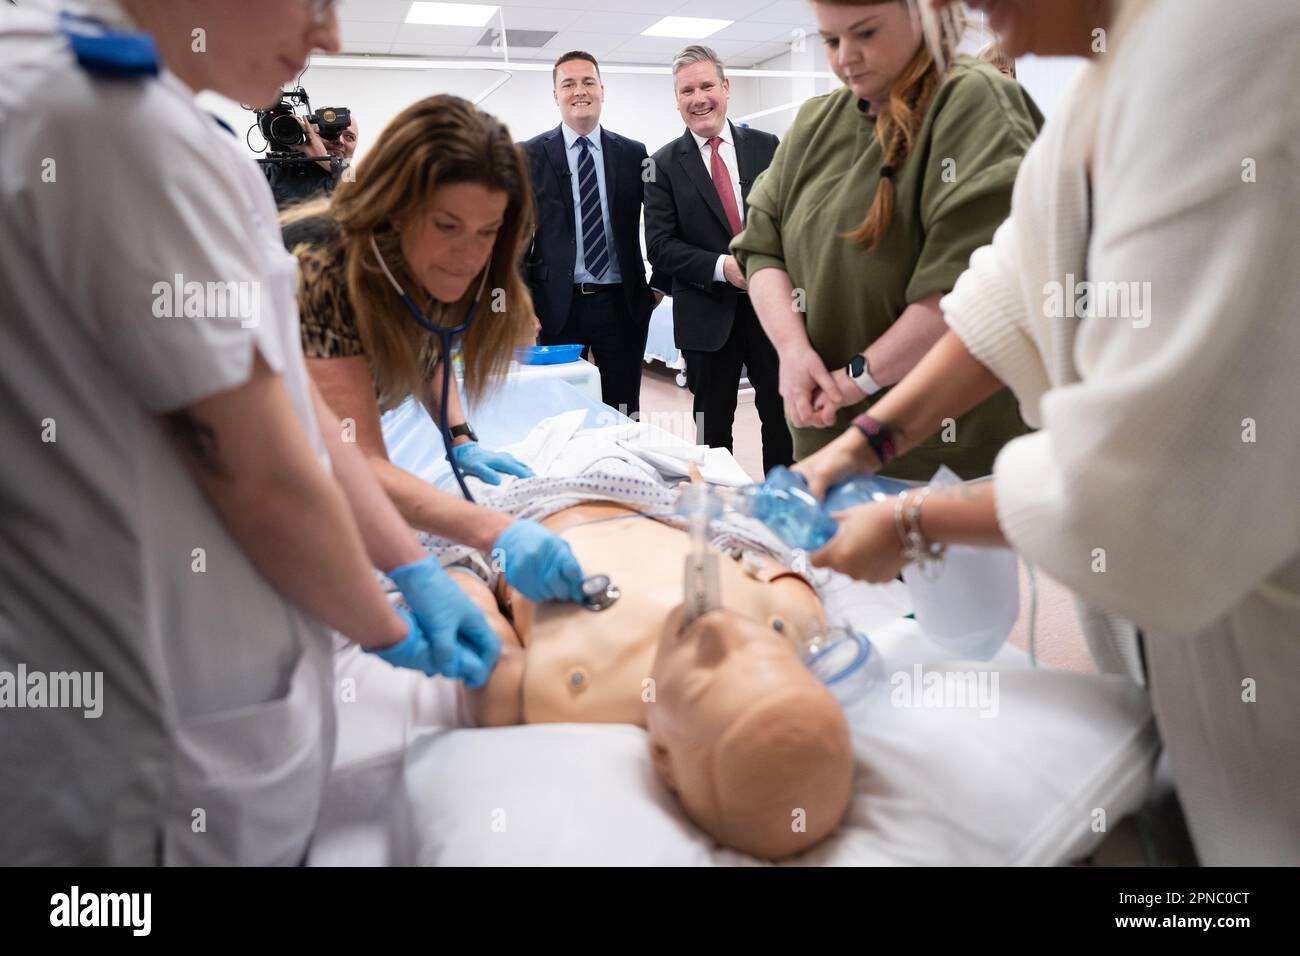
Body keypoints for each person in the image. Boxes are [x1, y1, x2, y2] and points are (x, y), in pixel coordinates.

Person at [798, 0, 1300, 865]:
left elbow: (1143, 489)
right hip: (1174, 656)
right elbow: (1008, 299)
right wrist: (855, 450)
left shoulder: (1233, 43)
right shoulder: (1104, 88)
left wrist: (911, 523)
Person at [0, 0, 498, 865]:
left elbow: (291, 412)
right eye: (313, 1)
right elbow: (260, 471)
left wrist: (411, 566)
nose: (330, 37)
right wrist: (386, 621)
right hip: (149, 728)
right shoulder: (113, 127)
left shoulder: (138, 112)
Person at [282, 95, 590, 608]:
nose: (468, 256)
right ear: (394, 207)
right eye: (447, 226)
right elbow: (353, 460)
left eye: (487, 232)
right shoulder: (318, 263)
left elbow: (429, 346)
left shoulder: (422, 265)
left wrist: (461, 436)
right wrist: (493, 531)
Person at [441, 490, 854, 861]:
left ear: (664, 758)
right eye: (763, 648)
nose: (717, 625)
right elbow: (752, 546)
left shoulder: (560, 690)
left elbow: (462, 583)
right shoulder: (796, 618)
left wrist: (474, 552)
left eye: (704, 672)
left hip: (514, 513)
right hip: (639, 490)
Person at [731, 0, 1043, 480]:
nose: (845, 58)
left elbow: (967, 293)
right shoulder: (815, 124)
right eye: (831, 41)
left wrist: (858, 378)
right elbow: (760, 246)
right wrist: (793, 352)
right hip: (825, 445)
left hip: (947, 465)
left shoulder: (974, 103)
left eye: (866, 34)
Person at [644, 45, 794, 475]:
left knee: (782, 422)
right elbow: (660, 246)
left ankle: (782, 512)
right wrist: (723, 268)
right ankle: (721, 522)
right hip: (707, 319)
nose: (699, 98)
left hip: (773, 311)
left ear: (726, 88)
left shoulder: (767, 147)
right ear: (677, 100)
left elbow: (792, 218)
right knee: (713, 435)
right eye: (687, 90)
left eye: (707, 85)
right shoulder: (660, 166)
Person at [520, 51, 662, 418]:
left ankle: (624, 473)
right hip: (556, 306)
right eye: (568, 83)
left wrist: (660, 284)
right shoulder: (528, 155)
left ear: (602, 89)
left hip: (623, 305)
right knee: (559, 411)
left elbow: (662, 219)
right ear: (555, 94)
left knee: (623, 409)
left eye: (588, 82)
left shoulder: (634, 154)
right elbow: (513, 240)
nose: (579, 91)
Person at [266, 111, 359, 208]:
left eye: (349, 137)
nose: (340, 141)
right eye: (329, 132)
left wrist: (328, 161)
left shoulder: (355, 180)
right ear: (307, 134)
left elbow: (365, 200)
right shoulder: (272, 171)